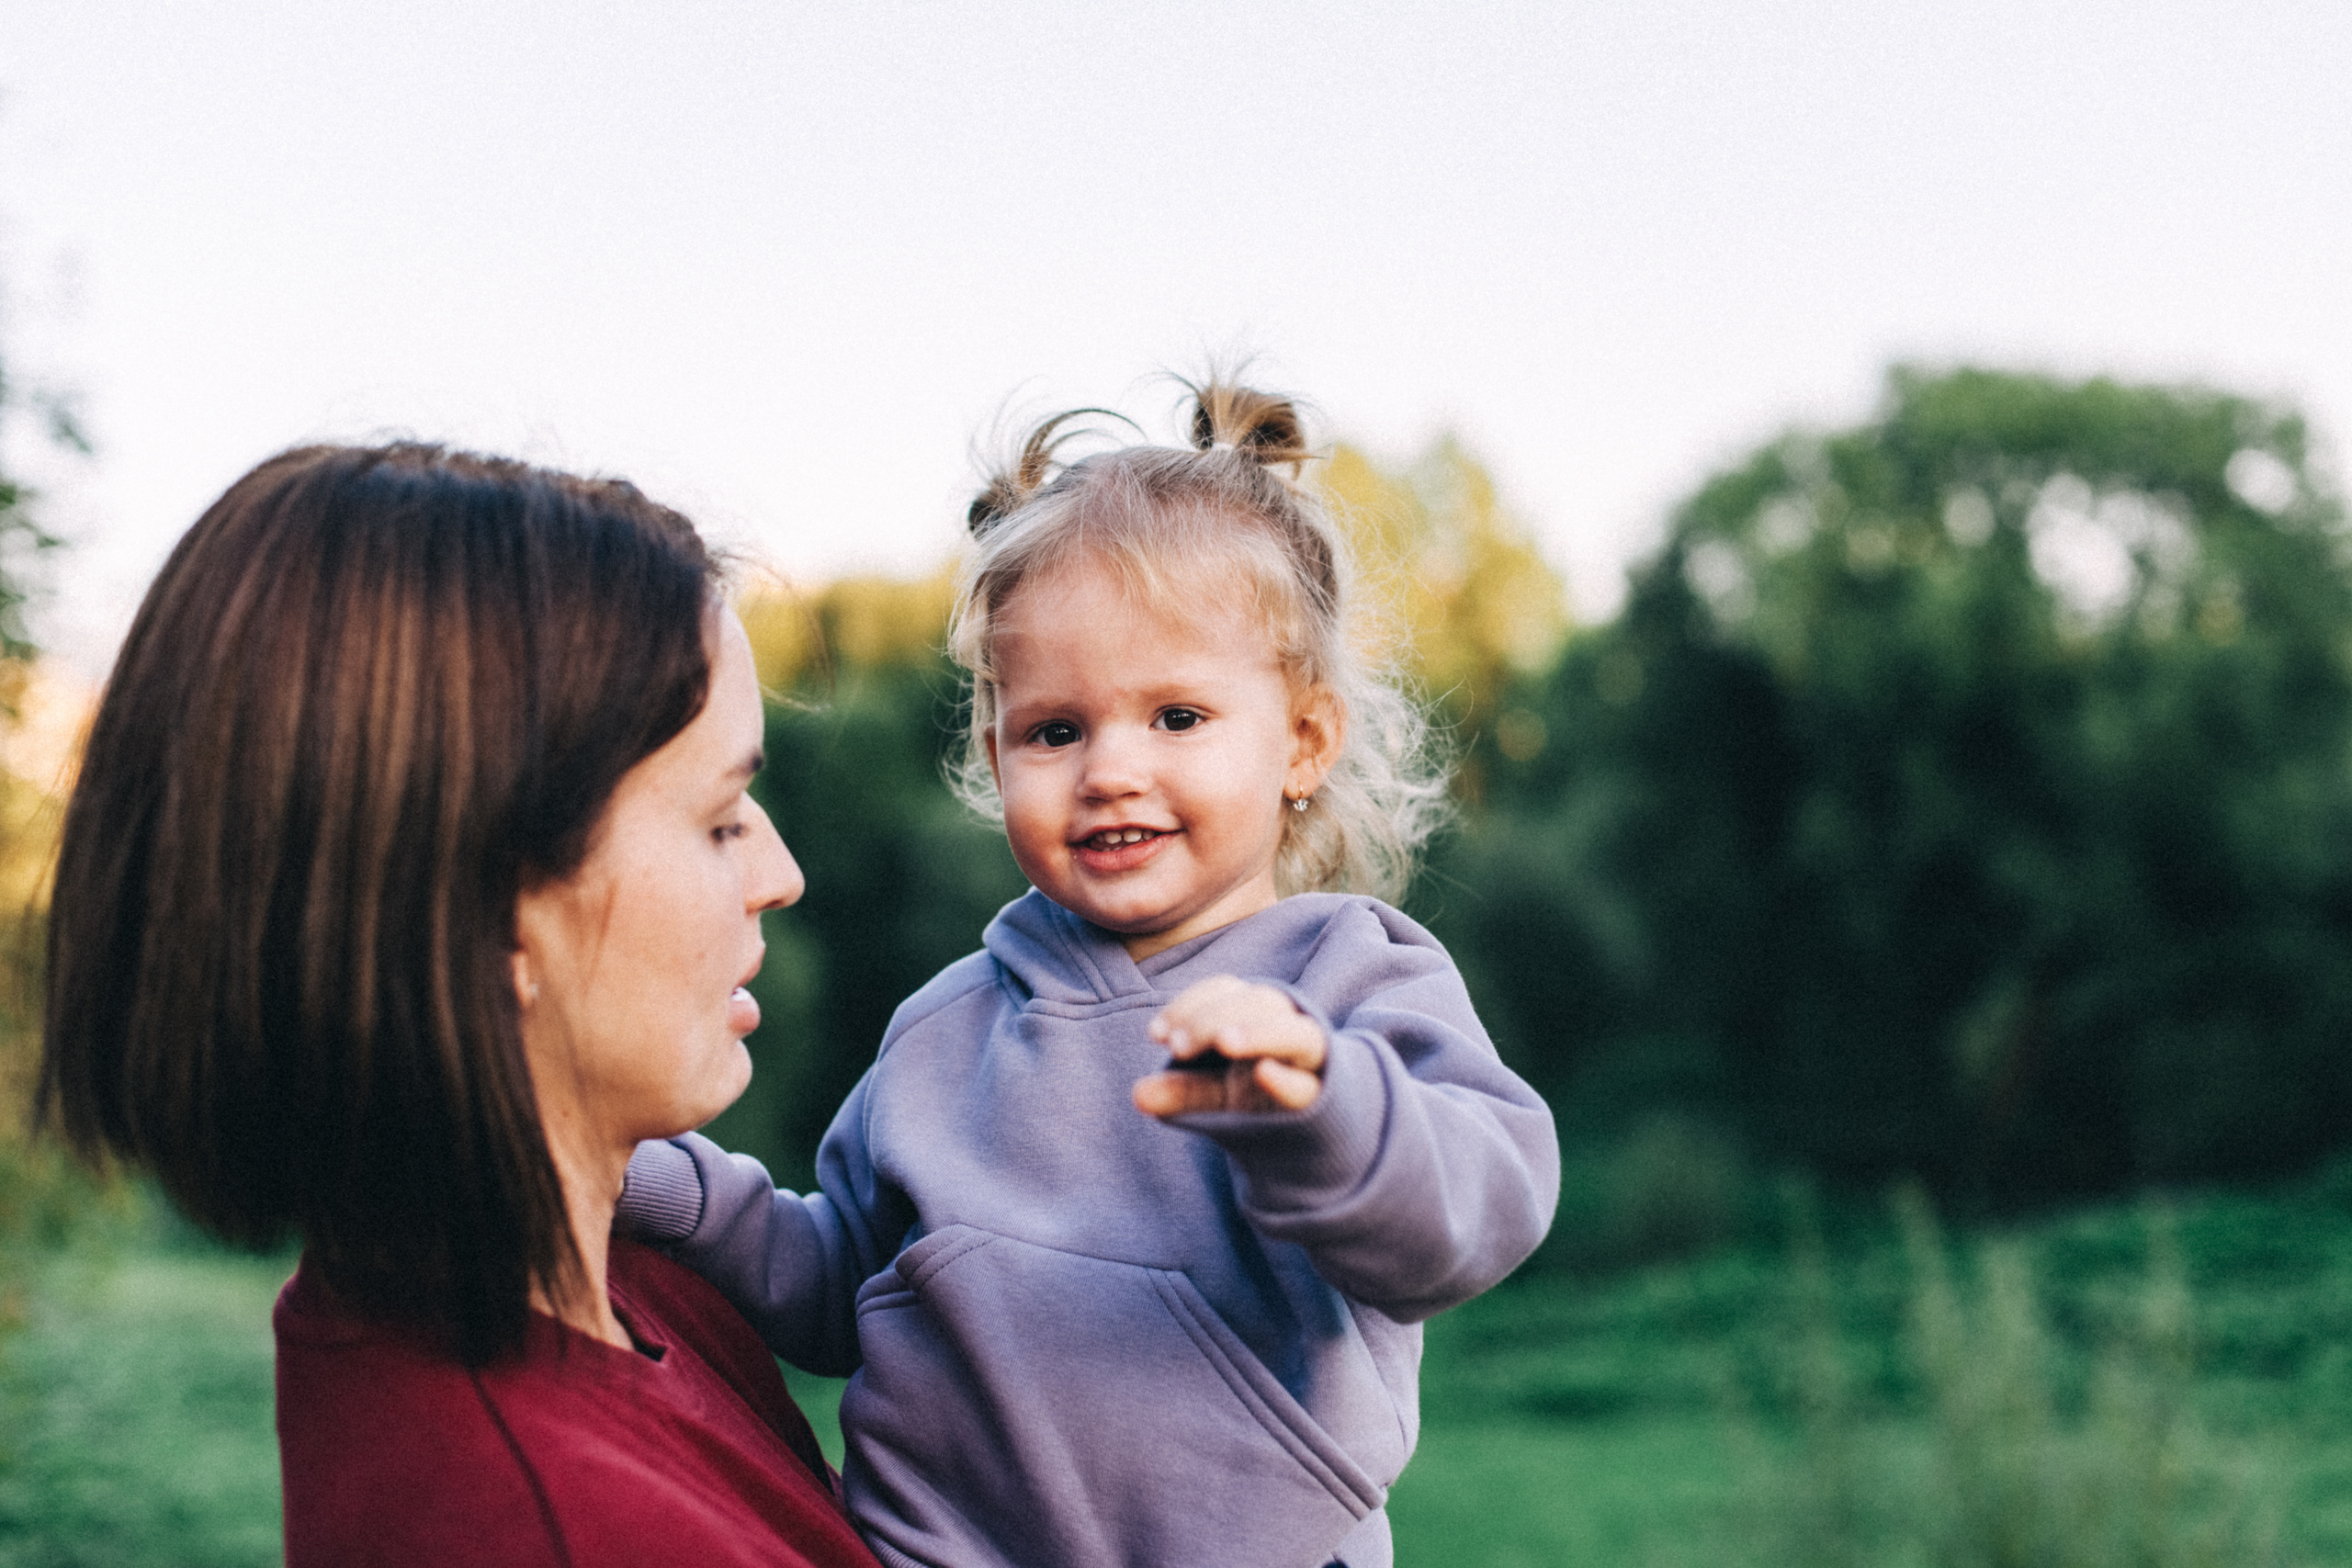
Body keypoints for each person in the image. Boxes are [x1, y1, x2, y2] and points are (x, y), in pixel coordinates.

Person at [617, 383, 1562, 1568]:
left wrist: (1322, 1113)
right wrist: (685, 1195)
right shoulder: (944, 1029)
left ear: (1303, 742)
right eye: (1055, 730)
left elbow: (1472, 1219)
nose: (1110, 769)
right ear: (994, 749)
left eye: (1176, 716)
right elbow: (838, 1285)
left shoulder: (1345, 982)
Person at [39, 445, 881, 1568]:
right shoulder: (561, 1526)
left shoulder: (617, 1279)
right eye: (720, 817)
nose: (779, 874)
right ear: (489, 913)